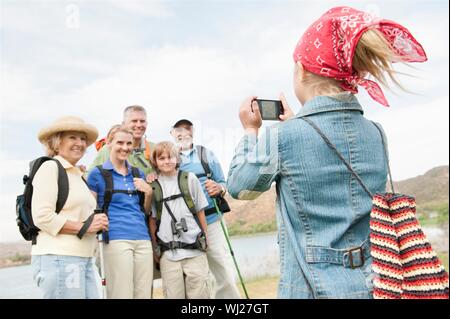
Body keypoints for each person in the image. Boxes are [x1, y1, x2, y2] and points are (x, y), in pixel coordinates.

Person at [226, 6, 427, 299]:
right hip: (377, 285)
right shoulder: (376, 132)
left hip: (310, 289)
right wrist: (297, 125)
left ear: (302, 71)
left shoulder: (281, 137)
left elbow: (238, 187)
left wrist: (250, 131)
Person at [31, 116, 108, 299]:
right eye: (72, 137)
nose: (80, 143)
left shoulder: (77, 174)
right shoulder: (50, 168)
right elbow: (42, 217)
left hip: (82, 258)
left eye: (82, 139)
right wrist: (85, 226)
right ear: (57, 143)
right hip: (60, 257)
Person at [171, 119, 241, 299]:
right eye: (178, 129)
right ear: (172, 133)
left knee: (222, 266)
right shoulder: (168, 156)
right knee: (195, 275)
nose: (182, 132)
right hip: (184, 227)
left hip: (212, 221)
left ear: (192, 131)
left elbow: (223, 183)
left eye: (186, 128)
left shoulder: (206, 154)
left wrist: (219, 188)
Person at [87, 125, 154, 299]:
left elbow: (145, 211)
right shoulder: (97, 174)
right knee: (121, 293)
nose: (125, 148)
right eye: (120, 143)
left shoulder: (137, 173)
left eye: (129, 143)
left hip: (143, 239)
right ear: (109, 143)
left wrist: (149, 193)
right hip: (115, 239)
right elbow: (89, 209)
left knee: (144, 294)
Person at [149, 141, 211, 299]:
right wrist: (155, 247)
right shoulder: (153, 187)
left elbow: (200, 211)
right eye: (161, 158)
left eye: (170, 157)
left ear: (177, 158)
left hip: (195, 251)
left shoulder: (189, 179)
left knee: (200, 294)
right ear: (155, 162)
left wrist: (205, 236)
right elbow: (152, 220)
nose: (167, 161)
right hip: (168, 255)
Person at [88, 105, 156, 176]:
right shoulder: (109, 148)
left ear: (146, 123)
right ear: (123, 124)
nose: (139, 125)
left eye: (142, 121)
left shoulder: (154, 149)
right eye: (134, 121)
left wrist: (158, 174)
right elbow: (89, 175)